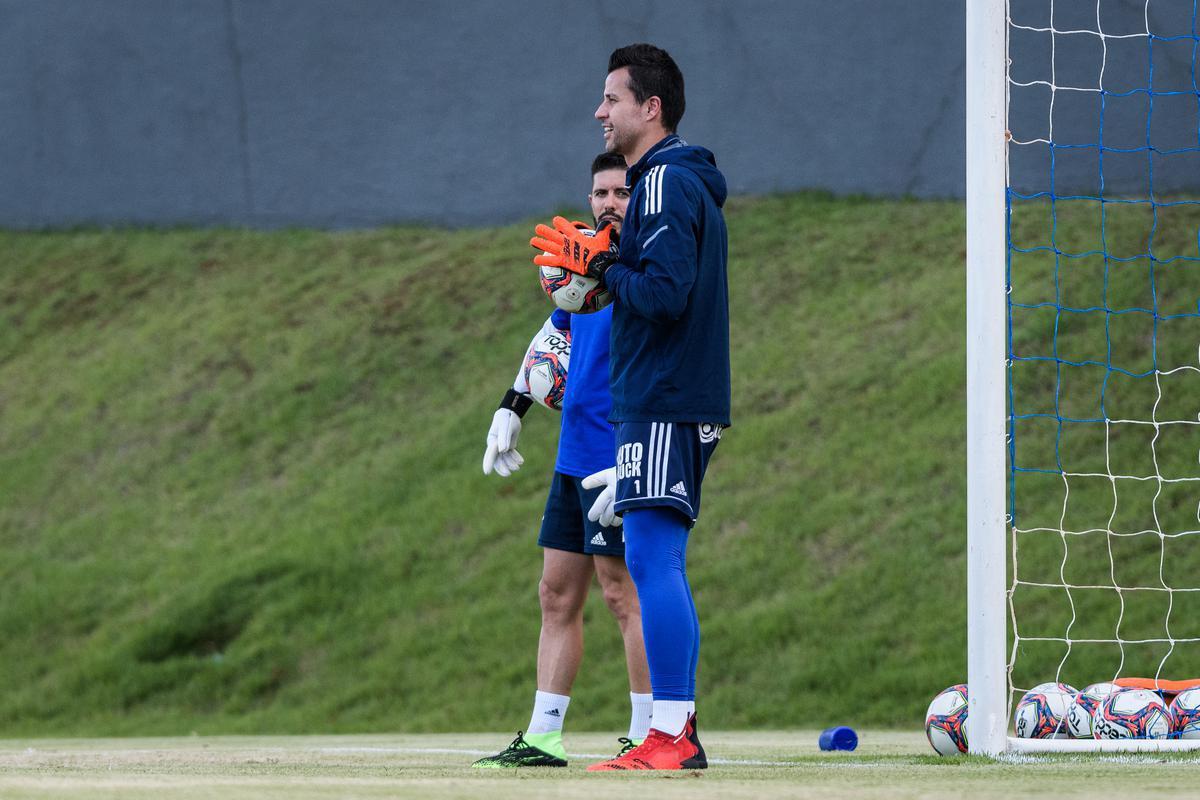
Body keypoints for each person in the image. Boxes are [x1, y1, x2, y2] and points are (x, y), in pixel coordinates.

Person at [530, 43, 730, 771]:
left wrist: (603, 265)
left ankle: (672, 734)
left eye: (610, 99)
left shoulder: (665, 183)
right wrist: (608, 272)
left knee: (653, 559)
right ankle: (668, 732)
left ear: (650, 108)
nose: (599, 112)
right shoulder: (664, 181)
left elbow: (665, 294)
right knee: (650, 558)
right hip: (662, 398)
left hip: (666, 399)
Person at [473, 153, 651, 768]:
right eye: (599, 191)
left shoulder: (647, 271)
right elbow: (555, 336)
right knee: (555, 593)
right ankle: (544, 735)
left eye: (622, 192)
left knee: (623, 592)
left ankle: (650, 734)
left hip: (622, 454)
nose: (608, 202)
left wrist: (642, 453)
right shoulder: (584, 275)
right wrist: (511, 407)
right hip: (573, 456)